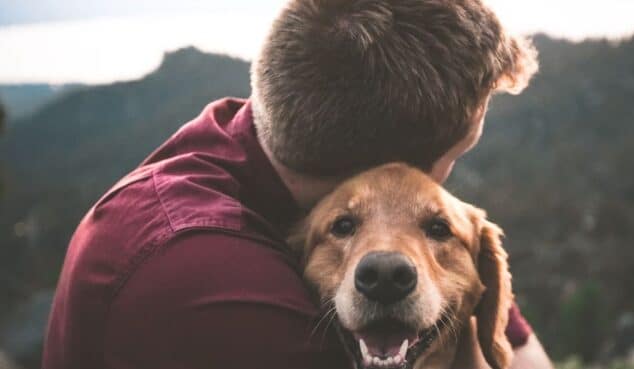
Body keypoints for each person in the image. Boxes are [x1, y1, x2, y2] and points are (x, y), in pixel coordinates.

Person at [43, 1, 550, 368]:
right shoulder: (213, 288)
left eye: (433, 220)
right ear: (389, 167)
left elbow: (520, 354)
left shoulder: (263, 136)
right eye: (457, 155)